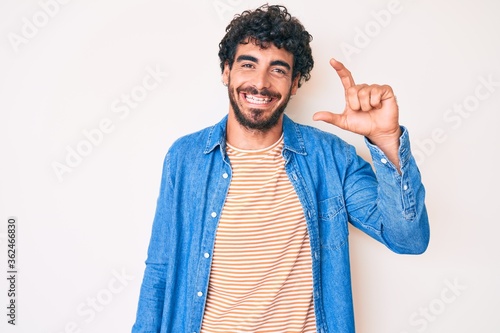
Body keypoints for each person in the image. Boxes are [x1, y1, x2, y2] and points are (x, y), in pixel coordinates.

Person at [132, 4, 429, 333]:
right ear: (226, 71)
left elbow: (409, 240)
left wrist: (386, 139)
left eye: (278, 69)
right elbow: (159, 270)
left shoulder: (330, 158)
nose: (260, 83)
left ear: (295, 84)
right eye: (248, 64)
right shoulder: (185, 158)